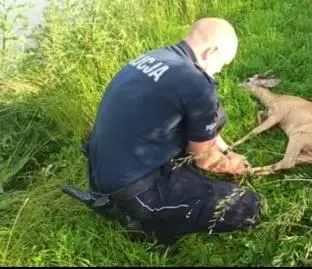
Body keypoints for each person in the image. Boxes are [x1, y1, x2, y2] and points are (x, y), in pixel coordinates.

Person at [83, 17, 262, 246]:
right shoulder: (197, 84)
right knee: (247, 206)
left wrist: (225, 148)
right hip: (135, 191)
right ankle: (147, 226)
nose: (218, 71)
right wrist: (232, 165)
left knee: (211, 114)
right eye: (223, 64)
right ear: (212, 51)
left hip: (101, 174)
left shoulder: (155, 58)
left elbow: (195, 118)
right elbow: (205, 161)